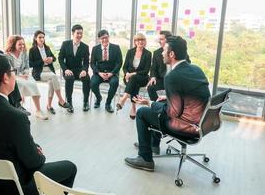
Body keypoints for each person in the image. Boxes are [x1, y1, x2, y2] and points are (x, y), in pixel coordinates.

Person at [0, 54, 77, 195]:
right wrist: (37, 152)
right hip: (12, 186)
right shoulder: (16, 117)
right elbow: (33, 162)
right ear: (5, 77)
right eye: (12, 72)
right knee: (70, 167)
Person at [124, 36, 210, 172]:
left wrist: (149, 102)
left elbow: (171, 113)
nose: (161, 53)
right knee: (156, 110)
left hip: (185, 126)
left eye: (164, 50)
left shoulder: (172, 76)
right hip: (202, 121)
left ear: (172, 54)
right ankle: (152, 145)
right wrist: (169, 97)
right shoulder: (196, 69)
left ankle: (145, 158)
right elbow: (194, 96)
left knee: (142, 113)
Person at [28, 30, 70, 114]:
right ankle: (61, 100)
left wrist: (51, 59)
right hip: (39, 72)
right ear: (35, 38)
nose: (42, 39)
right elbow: (30, 64)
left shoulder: (47, 48)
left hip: (49, 70)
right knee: (54, 77)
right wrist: (42, 61)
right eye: (40, 37)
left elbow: (54, 58)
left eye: (43, 37)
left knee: (52, 82)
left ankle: (49, 106)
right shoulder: (32, 50)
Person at [116, 33, 151, 119]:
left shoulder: (148, 53)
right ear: (135, 42)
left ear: (145, 42)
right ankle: (133, 107)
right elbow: (125, 67)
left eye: (142, 40)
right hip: (129, 78)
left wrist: (132, 74)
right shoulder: (130, 52)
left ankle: (123, 99)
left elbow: (146, 71)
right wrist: (127, 74)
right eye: (138, 40)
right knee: (134, 82)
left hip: (143, 78)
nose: (140, 42)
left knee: (134, 78)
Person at [58, 24, 91, 113]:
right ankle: (69, 103)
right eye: (78, 33)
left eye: (81, 33)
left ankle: (85, 102)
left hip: (80, 70)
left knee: (87, 79)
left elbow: (86, 62)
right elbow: (60, 58)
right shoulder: (65, 44)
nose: (80, 35)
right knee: (69, 79)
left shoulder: (85, 47)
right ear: (73, 33)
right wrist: (65, 69)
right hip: (68, 69)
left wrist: (84, 70)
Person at [90, 29, 122, 113]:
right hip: (99, 73)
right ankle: (98, 97)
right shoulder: (95, 49)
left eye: (106, 37)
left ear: (108, 37)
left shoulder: (116, 48)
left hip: (112, 73)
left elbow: (119, 63)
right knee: (92, 83)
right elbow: (92, 64)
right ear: (99, 39)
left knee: (114, 83)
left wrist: (112, 73)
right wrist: (99, 73)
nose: (104, 40)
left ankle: (108, 103)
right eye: (102, 38)